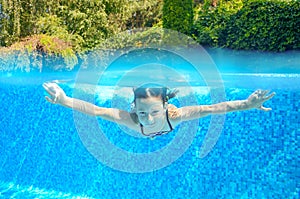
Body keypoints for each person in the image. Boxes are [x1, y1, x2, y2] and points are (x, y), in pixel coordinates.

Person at [43, 82, 275, 138]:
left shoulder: (175, 115)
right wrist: (64, 100)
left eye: (154, 112)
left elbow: (213, 108)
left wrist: (247, 104)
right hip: (141, 108)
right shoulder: (132, 120)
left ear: (165, 107)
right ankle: (134, 95)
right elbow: (96, 110)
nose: (149, 119)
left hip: (167, 112)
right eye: (143, 113)